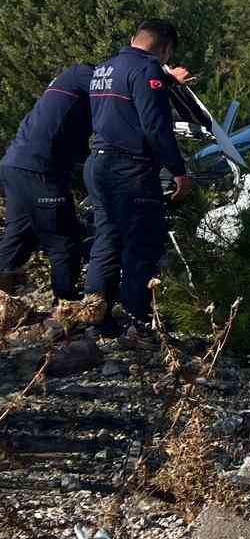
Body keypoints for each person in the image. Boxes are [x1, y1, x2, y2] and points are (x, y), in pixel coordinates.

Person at [83, 20, 196, 347]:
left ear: (135, 38)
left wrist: (165, 80)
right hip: (129, 170)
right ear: (165, 49)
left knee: (106, 239)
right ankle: (137, 328)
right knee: (141, 245)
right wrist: (178, 169)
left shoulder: (105, 68)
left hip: (98, 165)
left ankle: (96, 321)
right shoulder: (147, 70)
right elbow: (156, 126)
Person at [0, 65, 95, 308]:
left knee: (20, 235)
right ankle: (65, 307)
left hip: (16, 164)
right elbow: (116, 96)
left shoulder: (68, 87)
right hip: (39, 169)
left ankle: (4, 305)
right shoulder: (85, 75)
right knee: (64, 240)